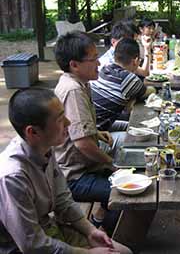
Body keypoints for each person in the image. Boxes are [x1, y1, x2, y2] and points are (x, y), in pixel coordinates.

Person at [0, 88, 131, 253]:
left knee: (124, 251)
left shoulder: (45, 147)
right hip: (21, 248)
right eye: (60, 119)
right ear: (33, 132)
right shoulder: (12, 177)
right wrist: (86, 253)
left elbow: (63, 200)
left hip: (49, 229)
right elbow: (31, 244)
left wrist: (90, 230)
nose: (68, 123)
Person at [54, 31, 124, 232]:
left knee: (129, 169)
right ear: (74, 65)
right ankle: (108, 238)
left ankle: (100, 220)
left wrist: (97, 132)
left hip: (84, 168)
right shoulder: (73, 90)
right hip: (75, 177)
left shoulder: (79, 83)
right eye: (93, 59)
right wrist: (112, 165)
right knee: (125, 193)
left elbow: (76, 129)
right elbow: (83, 144)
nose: (99, 64)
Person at [92, 38, 156, 131]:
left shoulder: (106, 68)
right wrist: (132, 97)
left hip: (96, 124)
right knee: (142, 134)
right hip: (97, 134)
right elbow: (151, 91)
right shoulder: (128, 78)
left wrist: (131, 98)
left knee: (136, 127)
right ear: (136, 60)